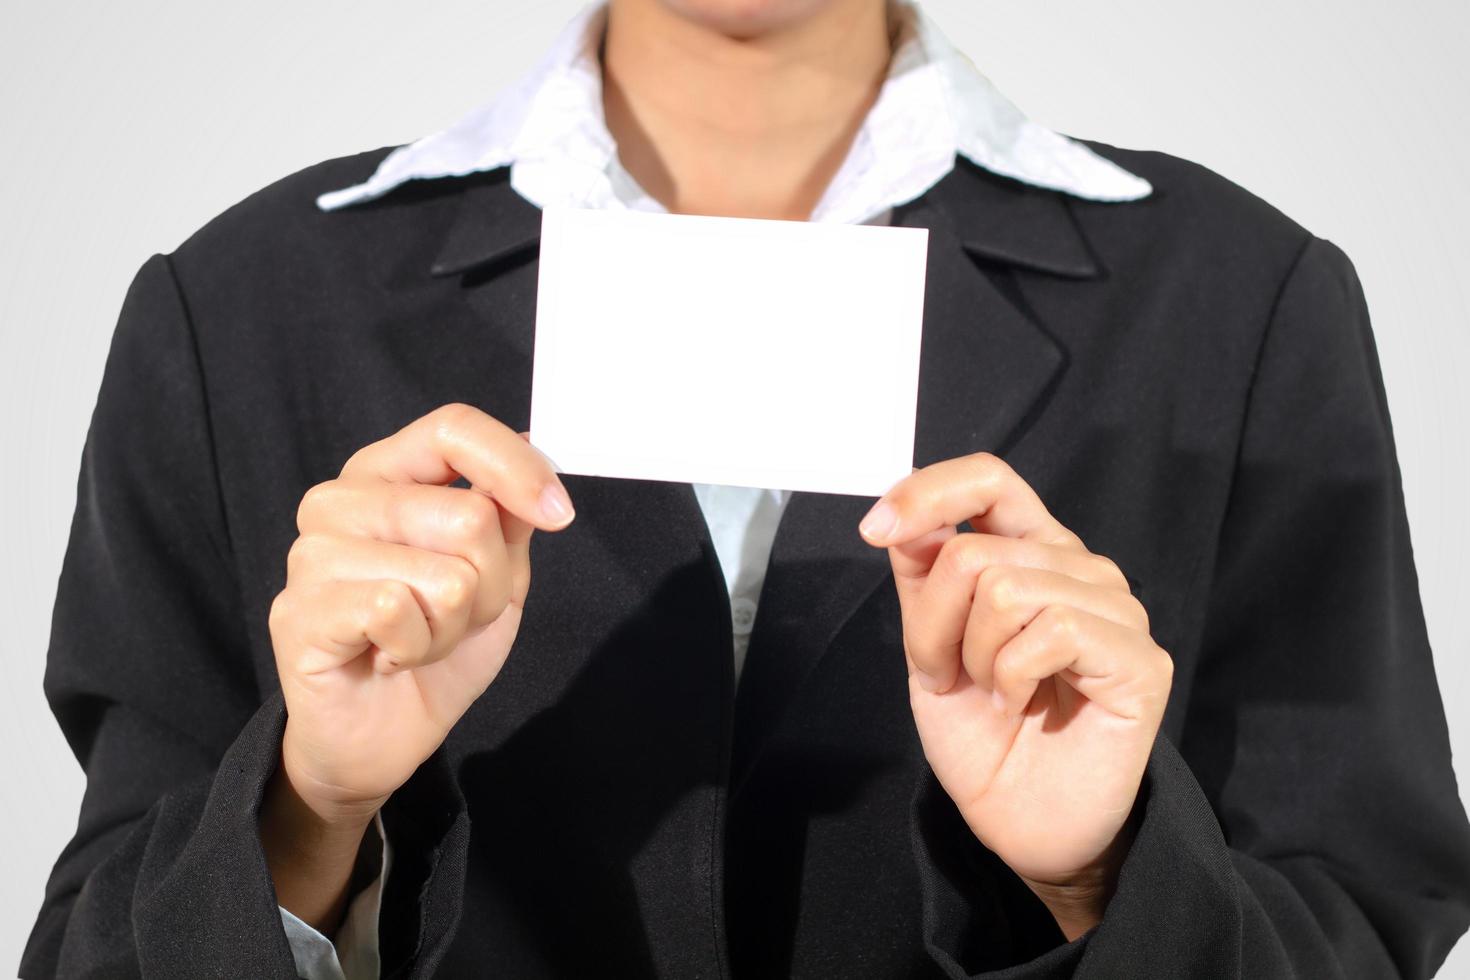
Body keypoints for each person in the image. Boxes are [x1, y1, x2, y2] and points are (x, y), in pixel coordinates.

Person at [20, 0, 1470, 977]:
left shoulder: (1237, 299)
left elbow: (1363, 911)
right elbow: (89, 942)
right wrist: (305, 809)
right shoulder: (241, 307)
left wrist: (1104, 874)